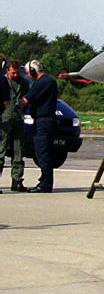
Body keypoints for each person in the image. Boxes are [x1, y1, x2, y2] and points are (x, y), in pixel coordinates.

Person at [21, 60, 58, 193]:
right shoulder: (50, 81)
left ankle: (45, 184)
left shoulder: (41, 83)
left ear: (32, 71)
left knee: (42, 153)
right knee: (45, 152)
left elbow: (25, 100)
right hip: (49, 120)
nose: (28, 76)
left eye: (28, 73)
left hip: (43, 121)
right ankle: (46, 182)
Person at [1, 58, 30, 192]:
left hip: (18, 118)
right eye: (13, 73)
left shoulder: (23, 83)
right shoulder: (3, 81)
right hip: (4, 119)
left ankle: (17, 180)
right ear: (7, 71)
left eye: (18, 72)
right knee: (0, 150)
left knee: (18, 150)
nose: (16, 75)